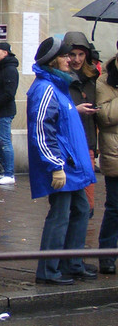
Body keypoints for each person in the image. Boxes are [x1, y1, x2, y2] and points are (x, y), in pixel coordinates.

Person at [26, 36, 96, 285]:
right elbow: (41, 131)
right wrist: (55, 166)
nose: (70, 60)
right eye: (66, 56)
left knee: (80, 209)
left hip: (71, 166)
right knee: (60, 215)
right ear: (53, 61)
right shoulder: (46, 88)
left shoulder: (56, 86)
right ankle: (48, 270)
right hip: (62, 165)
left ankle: (71, 263)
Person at [64, 30, 99, 218]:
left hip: (88, 143)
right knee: (68, 203)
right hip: (67, 146)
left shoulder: (92, 80)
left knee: (87, 204)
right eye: (72, 54)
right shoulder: (61, 78)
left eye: (81, 54)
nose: (77, 59)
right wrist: (74, 110)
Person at [94, 43, 118, 274]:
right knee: (115, 207)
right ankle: (107, 254)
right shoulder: (105, 80)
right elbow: (105, 116)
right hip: (115, 152)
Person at [0, 40, 19, 185]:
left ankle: (9, 172)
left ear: (5, 52)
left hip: (5, 111)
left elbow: (9, 93)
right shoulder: (2, 68)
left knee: (4, 141)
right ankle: (2, 171)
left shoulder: (9, 70)